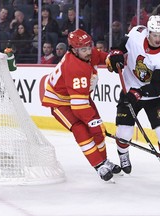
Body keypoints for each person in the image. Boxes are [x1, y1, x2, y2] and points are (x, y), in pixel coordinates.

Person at [105, 15, 160, 177]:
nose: (158, 39)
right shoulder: (138, 32)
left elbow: (157, 86)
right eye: (154, 35)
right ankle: (123, 156)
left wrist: (138, 93)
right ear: (148, 32)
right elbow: (123, 42)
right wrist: (116, 52)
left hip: (154, 98)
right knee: (124, 132)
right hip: (129, 90)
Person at [42, 29, 121, 181]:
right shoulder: (74, 67)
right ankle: (98, 165)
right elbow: (78, 107)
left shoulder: (88, 53)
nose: (88, 51)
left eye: (88, 47)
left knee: (98, 131)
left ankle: (104, 161)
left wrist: (113, 59)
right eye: (83, 49)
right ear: (73, 50)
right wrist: (92, 122)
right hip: (60, 102)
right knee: (81, 129)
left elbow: (103, 57)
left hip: (80, 98)